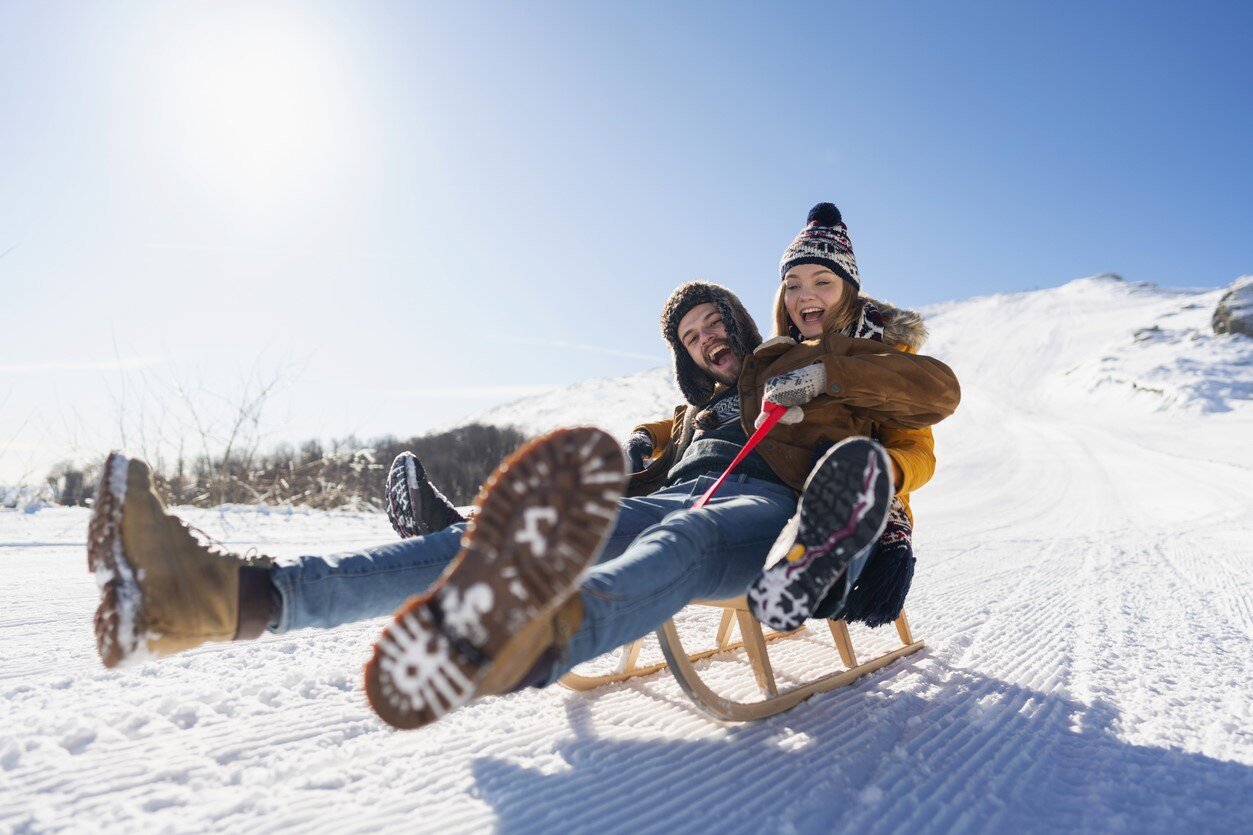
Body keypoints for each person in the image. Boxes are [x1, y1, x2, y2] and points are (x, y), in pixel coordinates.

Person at [88, 208, 959, 733]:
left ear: (749, 317)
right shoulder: (696, 409)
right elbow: (641, 454)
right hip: (677, 492)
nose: (708, 340)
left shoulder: (791, 367)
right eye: (691, 337)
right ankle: (216, 597)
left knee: (694, 531)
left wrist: (834, 391)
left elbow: (920, 404)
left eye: (715, 324)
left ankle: (534, 638)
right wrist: (626, 460)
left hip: (767, 512)